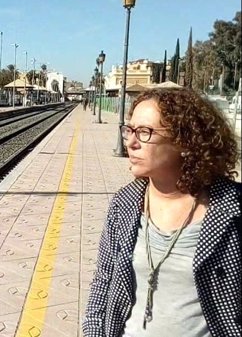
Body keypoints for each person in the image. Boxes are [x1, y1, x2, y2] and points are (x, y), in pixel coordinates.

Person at [83, 87, 241, 337]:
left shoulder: (232, 210)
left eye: (144, 132)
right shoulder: (124, 204)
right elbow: (103, 285)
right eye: (129, 130)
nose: (130, 143)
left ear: (185, 142)